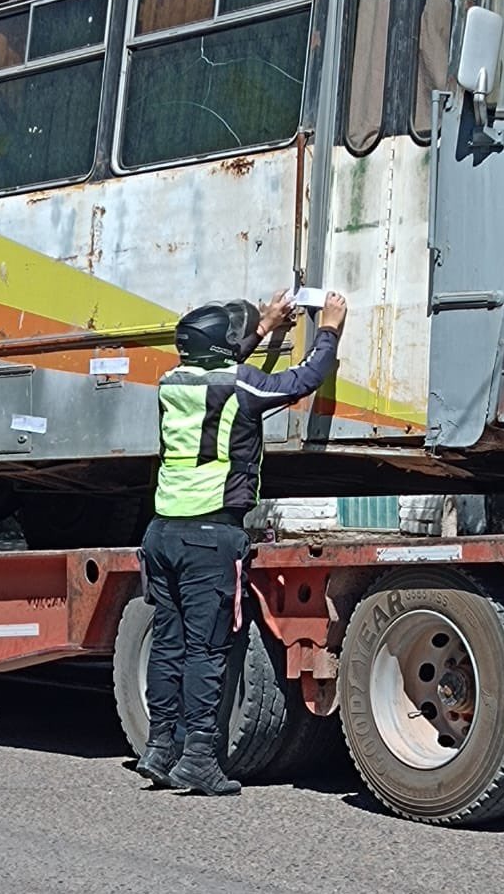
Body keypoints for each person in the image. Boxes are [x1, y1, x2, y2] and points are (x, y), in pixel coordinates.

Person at [137, 287, 347, 796]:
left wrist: (264, 328)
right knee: (208, 651)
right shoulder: (241, 388)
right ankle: (200, 761)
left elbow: (223, 368)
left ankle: (161, 749)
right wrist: (329, 330)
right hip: (211, 538)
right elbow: (302, 381)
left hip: (162, 533)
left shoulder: (172, 382)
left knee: (169, 645)